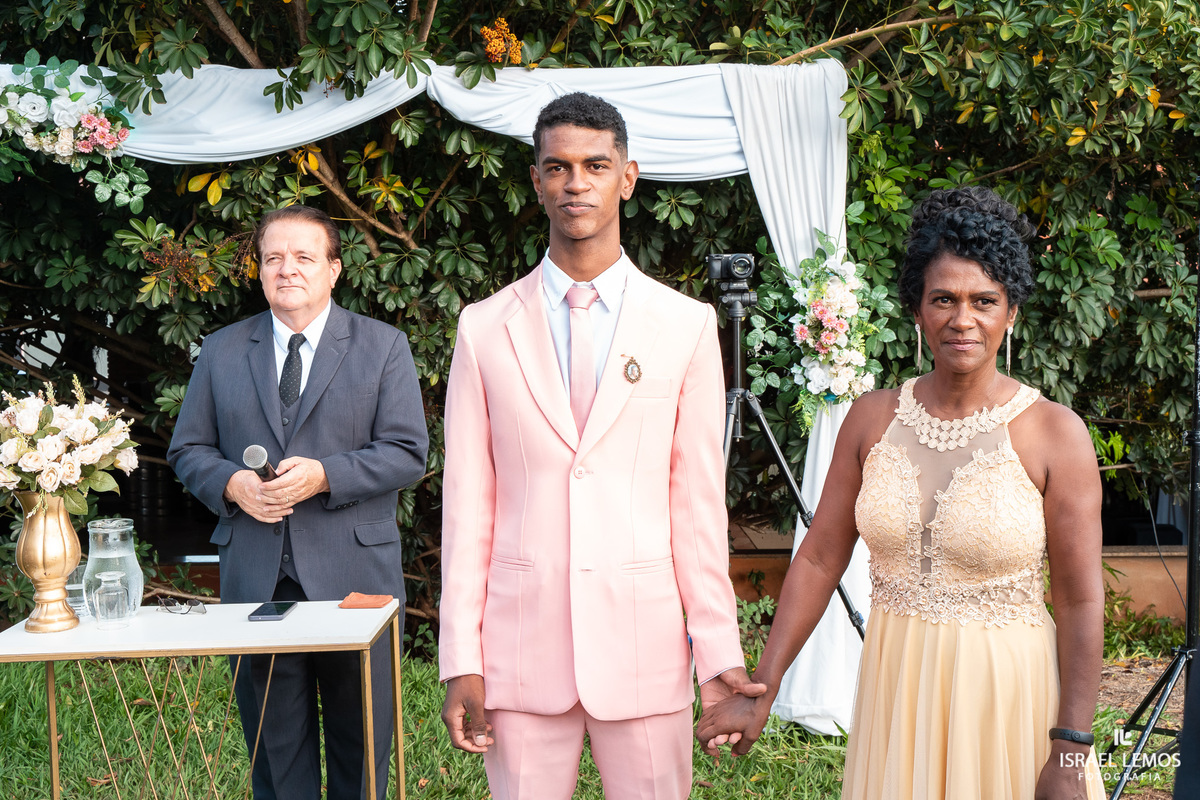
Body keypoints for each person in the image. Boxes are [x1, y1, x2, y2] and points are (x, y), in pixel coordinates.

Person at [697, 186, 1106, 800]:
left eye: (983, 301)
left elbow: (1079, 601)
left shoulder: (1055, 434)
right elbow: (817, 556)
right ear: (917, 310)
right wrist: (765, 684)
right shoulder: (871, 419)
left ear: (1011, 313)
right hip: (897, 684)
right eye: (943, 299)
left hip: (1004, 696)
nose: (961, 319)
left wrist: (1071, 747)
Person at [437, 92, 761, 799]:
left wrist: (718, 653)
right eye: (558, 167)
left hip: (644, 649)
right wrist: (461, 656)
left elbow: (697, 508)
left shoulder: (685, 325)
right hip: (521, 651)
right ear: (536, 181)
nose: (575, 182)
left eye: (594, 165)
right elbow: (467, 506)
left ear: (628, 176)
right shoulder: (484, 328)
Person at [167, 204, 428, 800]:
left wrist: (325, 476)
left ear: (334, 270)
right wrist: (232, 484)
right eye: (273, 258)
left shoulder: (382, 346)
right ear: (259, 272)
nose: (287, 269)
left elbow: (408, 451)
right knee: (273, 745)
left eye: (304, 257)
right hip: (257, 577)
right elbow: (188, 450)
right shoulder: (222, 349)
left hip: (355, 576)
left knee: (361, 742)